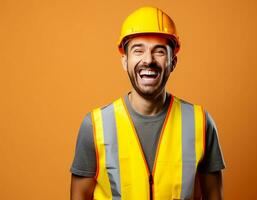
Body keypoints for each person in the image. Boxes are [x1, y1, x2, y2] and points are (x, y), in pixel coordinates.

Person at [70, 6, 225, 200]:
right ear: (125, 61)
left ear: (173, 62)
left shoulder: (200, 122)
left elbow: (214, 196)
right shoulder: (95, 126)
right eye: (138, 50)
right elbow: (79, 196)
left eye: (159, 51)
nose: (148, 60)